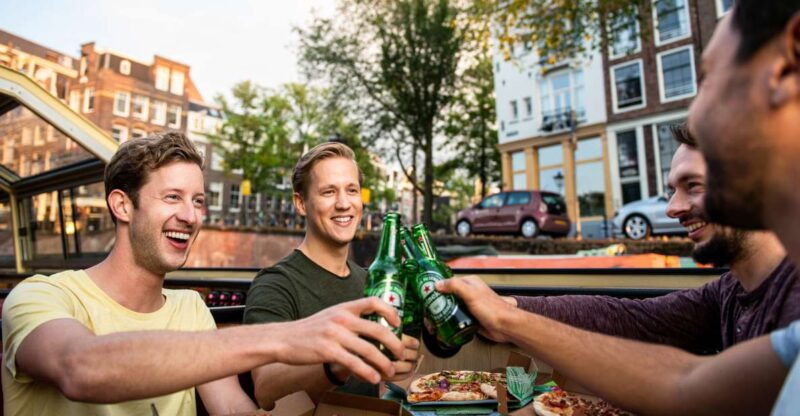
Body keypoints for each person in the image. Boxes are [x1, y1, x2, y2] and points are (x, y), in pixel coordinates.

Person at [438, 3, 800, 413]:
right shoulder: (750, 308)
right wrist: (507, 313)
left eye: (709, 79)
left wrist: (510, 319)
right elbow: (680, 378)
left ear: (787, 68)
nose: (673, 207)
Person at [1, 132, 404, 415]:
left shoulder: (190, 308)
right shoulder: (40, 296)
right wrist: (291, 337)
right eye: (172, 197)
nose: (191, 216)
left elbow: (231, 407)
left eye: (198, 201)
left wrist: (332, 364)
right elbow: (80, 367)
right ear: (122, 206)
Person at [509, 125, 799, 353]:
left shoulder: (793, 300)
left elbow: (686, 384)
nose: (672, 208)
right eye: (673, 189)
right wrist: (510, 308)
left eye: (693, 185)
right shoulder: (728, 292)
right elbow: (636, 318)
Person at [244, 142, 420, 410]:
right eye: (328, 192)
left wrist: (403, 362)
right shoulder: (276, 284)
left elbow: (379, 385)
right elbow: (265, 387)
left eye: (352, 190)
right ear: (301, 203)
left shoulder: (371, 282)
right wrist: (336, 362)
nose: (343, 203)